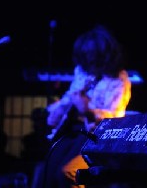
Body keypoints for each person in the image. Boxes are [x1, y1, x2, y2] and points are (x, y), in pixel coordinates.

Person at [41, 24, 131, 188]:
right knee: (47, 172)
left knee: (68, 174)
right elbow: (71, 96)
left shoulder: (118, 79)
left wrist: (88, 110)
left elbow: (115, 118)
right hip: (73, 132)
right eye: (85, 55)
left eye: (92, 55)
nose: (89, 60)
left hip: (95, 138)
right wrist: (57, 110)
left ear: (104, 55)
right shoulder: (82, 72)